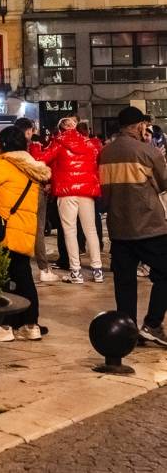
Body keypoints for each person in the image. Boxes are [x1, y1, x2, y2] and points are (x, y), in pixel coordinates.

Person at [0, 124, 51, 343]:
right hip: (24, 230)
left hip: (3, 230)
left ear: (1, 145)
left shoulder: (3, 166)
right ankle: (30, 325)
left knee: (2, 279)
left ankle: (4, 326)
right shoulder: (31, 168)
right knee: (24, 278)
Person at [99, 106, 167, 346]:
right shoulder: (149, 152)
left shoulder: (105, 153)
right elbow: (162, 184)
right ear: (139, 126)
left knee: (124, 282)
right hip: (149, 226)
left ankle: (127, 330)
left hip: (119, 227)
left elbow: (104, 197)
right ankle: (153, 323)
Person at [41, 116, 103, 284]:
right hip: (86, 191)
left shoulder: (58, 142)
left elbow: (42, 160)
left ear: (61, 129)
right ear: (74, 127)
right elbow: (96, 162)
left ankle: (76, 271)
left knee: (70, 231)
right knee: (91, 231)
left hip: (66, 192)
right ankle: (97, 270)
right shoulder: (89, 143)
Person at [16, 116, 59, 284]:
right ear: (28, 131)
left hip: (16, 193)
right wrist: (47, 182)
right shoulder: (33, 148)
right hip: (35, 191)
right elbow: (41, 168)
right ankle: (44, 269)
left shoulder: (9, 151)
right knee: (38, 230)